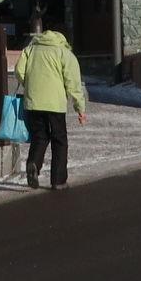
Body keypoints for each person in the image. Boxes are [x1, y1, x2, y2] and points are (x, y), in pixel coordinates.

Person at [15, 25, 87, 190]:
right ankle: (58, 180)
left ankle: (34, 163)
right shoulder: (64, 53)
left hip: (33, 102)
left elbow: (19, 70)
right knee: (59, 140)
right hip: (55, 104)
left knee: (40, 136)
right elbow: (73, 84)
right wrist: (80, 109)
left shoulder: (31, 49)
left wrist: (29, 85)